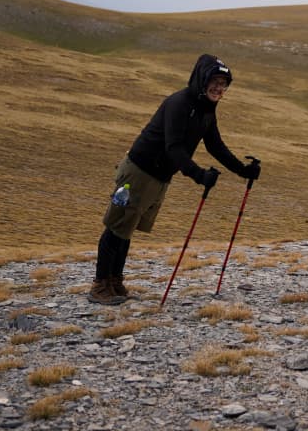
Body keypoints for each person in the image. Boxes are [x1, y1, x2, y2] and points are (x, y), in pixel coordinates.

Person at [89, 54, 261, 304]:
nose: (219, 88)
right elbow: (174, 148)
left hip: (158, 177)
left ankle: (114, 282)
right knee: (117, 227)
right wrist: (198, 174)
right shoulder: (180, 103)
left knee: (126, 229)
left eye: (224, 83)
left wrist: (243, 170)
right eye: (215, 80)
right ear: (202, 79)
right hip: (139, 170)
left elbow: (215, 145)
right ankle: (99, 286)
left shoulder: (206, 110)